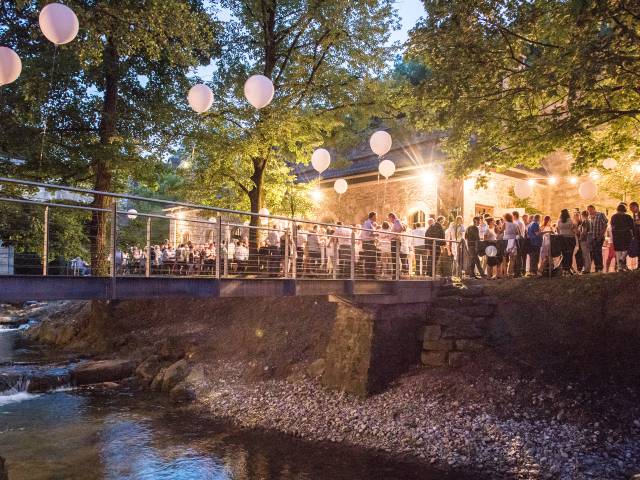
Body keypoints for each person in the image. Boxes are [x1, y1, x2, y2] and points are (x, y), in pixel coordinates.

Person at [610, 203, 634, 271]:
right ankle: (622, 258)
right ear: (625, 210)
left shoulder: (613, 216)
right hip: (626, 235)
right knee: (626, 248)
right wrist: (633, 236)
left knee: (618, 251)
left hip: (617, 235)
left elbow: (612, 227)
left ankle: (619, 267)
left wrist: (614, 234)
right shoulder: (628, 217)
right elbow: (632, 227)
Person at [587, 205, 608, 273]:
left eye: (590, 210)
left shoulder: (600, 214)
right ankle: (597, 267)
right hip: (592, 237)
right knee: (594, 252)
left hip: (599, 237)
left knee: (598, 251)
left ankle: (600, 268)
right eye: (588, 210)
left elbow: (605, 224)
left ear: (593, 209)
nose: (589, 211)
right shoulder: (589, 217)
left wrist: (601, 235)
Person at [556, 209, 576, 274]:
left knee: (564, 254)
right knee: (570, 254)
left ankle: (564, 269)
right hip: (570, 238)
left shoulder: (559, 221)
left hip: (562, 238)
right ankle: (568, 268)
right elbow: (573, 228)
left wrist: (560, 234)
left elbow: (557, 229)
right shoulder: (570, 221)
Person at [502, 212, 519, 277]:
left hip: (506, 241)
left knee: (504, 257)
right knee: (512, 258)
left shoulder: (505, 223)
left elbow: (500, 231)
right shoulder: (515, 224)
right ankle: (510, 273)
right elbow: (517, 233)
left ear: (506, 218)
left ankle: (505, 273)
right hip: (513, 241)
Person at [361, 212, 377, 278]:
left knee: (373, 259)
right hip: (368, 243)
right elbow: (368, 233)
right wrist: (376, 234)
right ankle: (369, 275)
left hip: (371, 242)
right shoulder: (367, 223)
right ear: (372, 216)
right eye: (376, 216)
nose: (376, 217)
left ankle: (372, 274)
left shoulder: (371, 223)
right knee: (369, 259)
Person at [388, 213, 403, 277]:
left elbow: (400, 228)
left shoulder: (396, 221)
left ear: (392, 217)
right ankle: (395, 272)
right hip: (394, 241)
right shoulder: (395, 223)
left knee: (395, 257)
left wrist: (395, 236)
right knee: (394, 257)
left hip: (395, 242)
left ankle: (396, 273)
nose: (389, 219)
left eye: (389, 218)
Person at [630, 201, 640, 269]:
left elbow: (637, 224)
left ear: (636, 207)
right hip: (637, 236)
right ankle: (639, 265)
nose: (631, 209)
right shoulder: (634, 215)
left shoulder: (638, 214)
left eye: (632, 208)